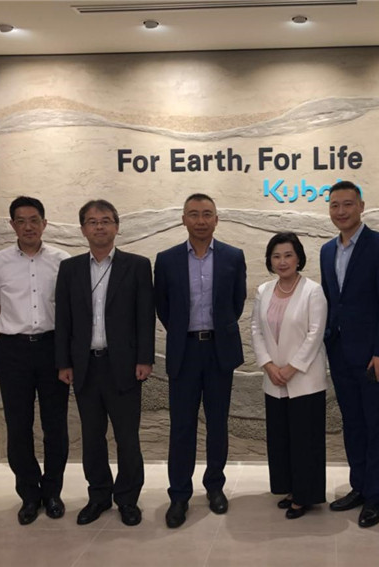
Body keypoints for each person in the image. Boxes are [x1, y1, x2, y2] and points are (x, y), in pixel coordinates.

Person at [54, 199, 154, 527]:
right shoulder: (70, 269)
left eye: (106, 220)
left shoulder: (137, 265)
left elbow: (145, 316)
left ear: (117, 226)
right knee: (92, 437)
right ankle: (98, 496)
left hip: (123, 365)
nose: (99, 226)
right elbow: (64, 319)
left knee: (128, 438)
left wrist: (145, 358)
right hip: (85, 366)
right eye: (93, 221)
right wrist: (64, 362)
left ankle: (127, 499)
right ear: (83, 229)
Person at [154, 193, 247, 529]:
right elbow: (163, 307)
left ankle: (215, 487)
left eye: (207, 214)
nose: (201, 220)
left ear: (216, 219)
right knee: (182, 426)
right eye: (193, 214)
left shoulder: (233, 257)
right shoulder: (166, 260)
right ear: (183, 220)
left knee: (218, 423)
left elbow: (236, 303)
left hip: (219, 350)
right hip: (185, 351)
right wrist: (185, 333)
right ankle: (179, 494)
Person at [0, 196, 70, 525]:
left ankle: (53, 491)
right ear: (12, 225)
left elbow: (68, 310)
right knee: (18, 425)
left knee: (55, 425)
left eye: (34, 220)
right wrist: (15, 336)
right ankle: (29, 494)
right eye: (21, 221)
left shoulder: (62, 261)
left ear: (45, 223)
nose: (28, 226)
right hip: (13, 350)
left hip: (51, 348)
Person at [319, 180, 379, 528]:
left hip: (373, 357)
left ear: (362, 206)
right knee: (352, 423)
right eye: (335, 205)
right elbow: (331, 300)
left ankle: (376, 496)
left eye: (348, 204)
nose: (341, 211)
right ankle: (359, 486)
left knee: (377, 424)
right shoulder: (326, 251)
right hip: (340, 353)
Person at [251, 232, 328, 519]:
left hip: (305, 379)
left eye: (288, 255)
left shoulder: (313, 291)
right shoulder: (263, 291)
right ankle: (290, 489)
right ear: (270, 260)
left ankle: (305, 496)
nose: (282, 261)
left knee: (305, 440)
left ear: (298, 259)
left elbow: (315, 333)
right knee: (281, 438)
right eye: (276, 256)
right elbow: (256, 330)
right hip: (273, 379)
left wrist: (292, 368)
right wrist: (268, 365)